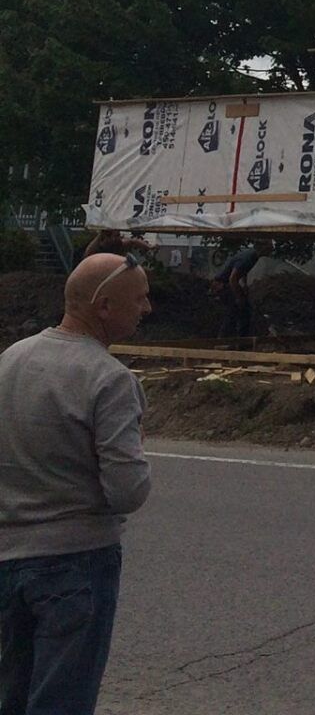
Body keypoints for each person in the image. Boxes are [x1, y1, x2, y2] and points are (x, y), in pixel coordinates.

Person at [0, 252, 154, 715]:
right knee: (61, 699)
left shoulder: (10, 360)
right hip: (76, 564)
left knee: (13, 695)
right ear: (104, 306)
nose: (147, 309)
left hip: (8, 559)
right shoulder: (109, 380)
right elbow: (126, 490)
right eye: (141, 299)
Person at [209, 245, 262, 338]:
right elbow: (232, 279)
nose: (272, 248)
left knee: (241, 311)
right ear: (263, 247)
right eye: (270, 246)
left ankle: (238, 340)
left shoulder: (253, 256)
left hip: (227, 284)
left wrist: (244, 284)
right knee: (236, 310)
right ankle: (226, 340)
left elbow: (243, 270)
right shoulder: (248, 257)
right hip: (223, 285)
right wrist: (239, 297)